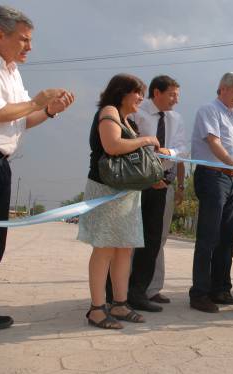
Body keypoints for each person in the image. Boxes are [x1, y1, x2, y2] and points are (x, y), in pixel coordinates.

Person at [0, 5, 74, 332]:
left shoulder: (12, 73)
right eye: (24, 40)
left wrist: (48, 110)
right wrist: (36, 101)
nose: (29, 47)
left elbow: (20, 120)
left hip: (1, 163)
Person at [78, 73, 165, 329]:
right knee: (104, 249)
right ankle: (96, 308)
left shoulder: (128, 120)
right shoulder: (109, 111)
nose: (141, 98)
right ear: (122, 92)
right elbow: (113, 146)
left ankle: (119, 303)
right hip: (106, 191)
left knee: (124, 249)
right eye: (137, 92)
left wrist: (151, 178)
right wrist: (148, 140)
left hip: (126, 194)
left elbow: (130, 163)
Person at [126, 75, 187, 312]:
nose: (175, 100)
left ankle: (143, 290)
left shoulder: (176, 119)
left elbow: (182, 149)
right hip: (139, 182)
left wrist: (167, 151)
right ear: (157, 93)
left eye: (177, 96)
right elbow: (129, 145)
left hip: (162, 182)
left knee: (154, 239)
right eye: (171, 95)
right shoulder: (137, 113)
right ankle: (123, 290)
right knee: (131, 237)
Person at [189, 72, 233, 313]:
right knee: (208, 237)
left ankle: (220, 288)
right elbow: (213, 143)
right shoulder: (209, 110)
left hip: (230, 179)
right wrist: (231, 163)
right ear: (223, 88)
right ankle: (200, 293)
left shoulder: (231, 116)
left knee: (226, 239)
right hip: (212, 177)